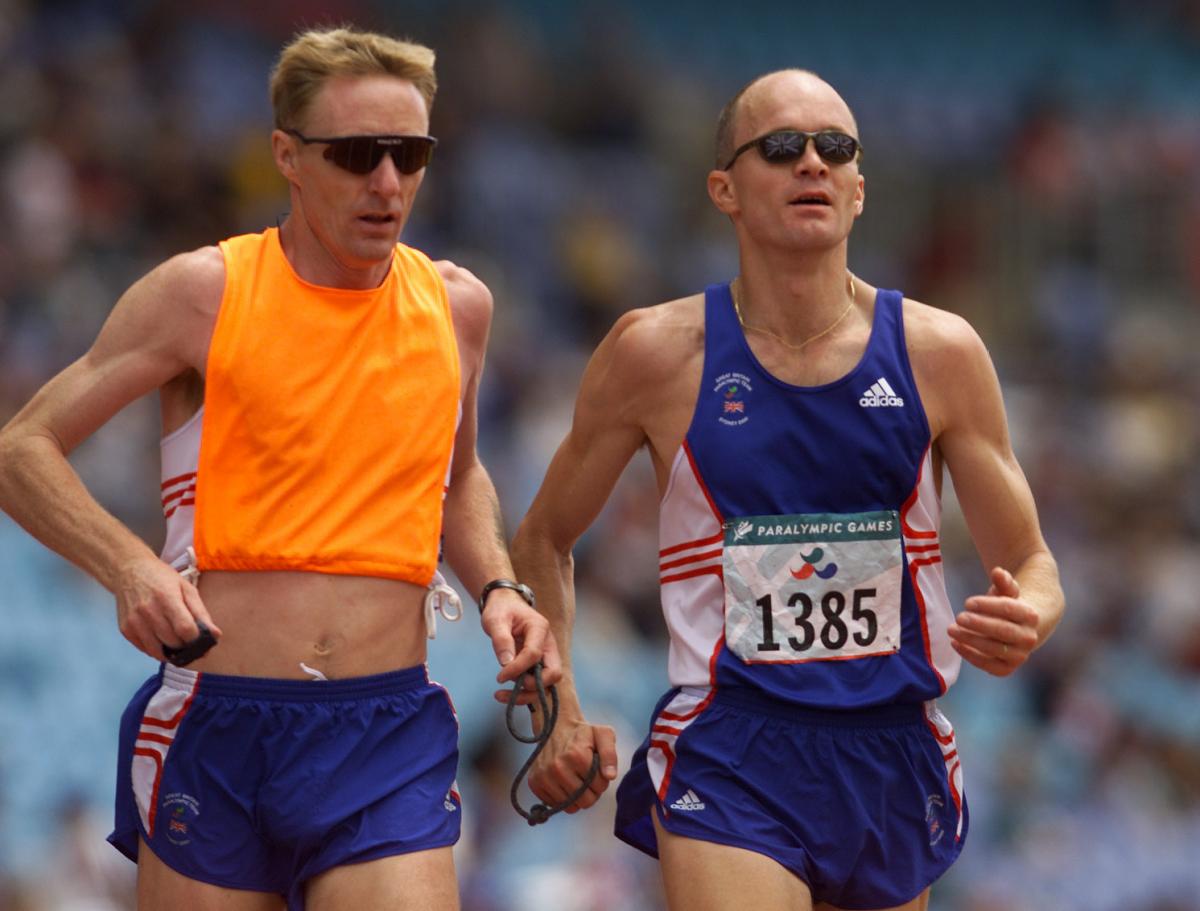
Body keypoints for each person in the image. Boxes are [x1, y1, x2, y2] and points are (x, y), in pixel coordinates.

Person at [0, 25, 558, 911]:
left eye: (409, 155)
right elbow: (21, 447)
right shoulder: (203, 293)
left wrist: (498, 585)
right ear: (286, 157)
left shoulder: (457, 307)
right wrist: (128, 563)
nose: (386, 183)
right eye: (355, 155)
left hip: (385, 731)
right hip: (215, 727)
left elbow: (458, 479)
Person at [509, 68, 1064, 911]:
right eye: (781, 147)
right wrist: (561, 709)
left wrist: (1030, 614)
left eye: (833, 148)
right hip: (730, 742)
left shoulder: (940, 353)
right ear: (723, 189)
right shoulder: (657, 354)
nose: (812, 163)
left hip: (890, 745)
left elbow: (1030, 561)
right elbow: (542, 538)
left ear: (860, 188)